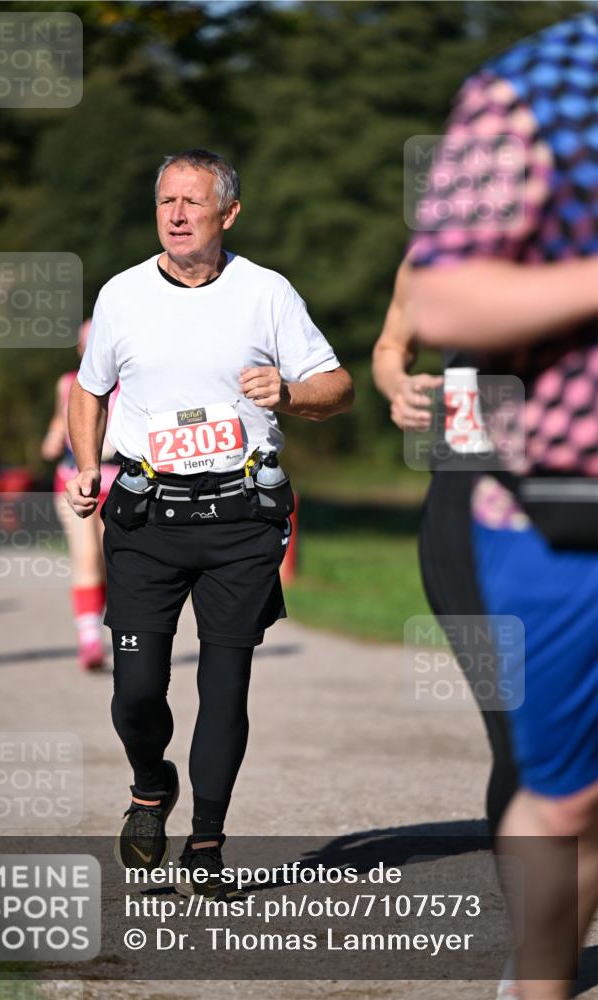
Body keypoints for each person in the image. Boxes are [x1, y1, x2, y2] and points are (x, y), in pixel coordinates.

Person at [65, 148, 353, 895]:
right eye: (166, 202)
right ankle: (149, 783)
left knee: (225, 684)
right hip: (146, 516)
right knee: (136, 688)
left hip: (241, 518)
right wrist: (87, 461)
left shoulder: (266, 293)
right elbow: (89, 391)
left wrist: (289, 394)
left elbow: (338, 388)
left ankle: (206, 843)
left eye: (193, 202)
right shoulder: (123, 294)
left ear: (228, 213)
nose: (177, 215)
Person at [408, 13, 598, 1000]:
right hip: (564, 509)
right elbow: (441, 301)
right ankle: (539, 980)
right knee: (565, 800)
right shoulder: (531, 92)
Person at [372, 258, 519, 840]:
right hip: (467, 505)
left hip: (577, 507)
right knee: (518, 736)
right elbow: (391, 344)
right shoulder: (438, 254)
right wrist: (398, 385)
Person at [41, 320, 120, 671]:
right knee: (86, 558)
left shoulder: (130, 385)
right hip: (74, 480)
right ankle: (89, 642)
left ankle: (98, 627)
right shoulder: (67, 383)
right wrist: (53, 437)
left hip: (119, 481)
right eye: (85, 346)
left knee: (108, 562)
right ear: (79, 351)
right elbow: (62, 419)